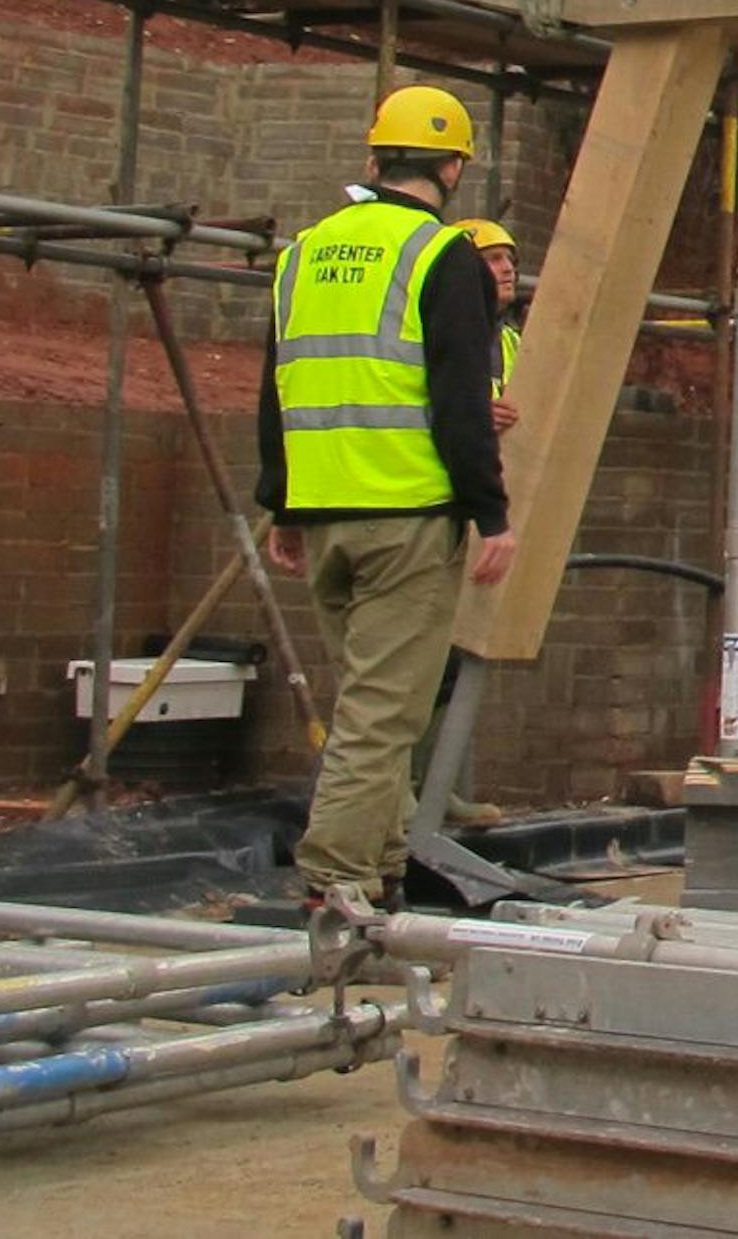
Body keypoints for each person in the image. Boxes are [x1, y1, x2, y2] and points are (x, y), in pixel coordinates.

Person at [254, 84, 517, 926]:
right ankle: (335, 877)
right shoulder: (442, 258)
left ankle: (385, 868)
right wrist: (492, 513)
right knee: (382, 713)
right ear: (451, 168)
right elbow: (460, 401)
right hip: (405, 510)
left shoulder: (302, 252)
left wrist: (282, 502)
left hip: (323, 504)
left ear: (373, 159)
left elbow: (279, 385)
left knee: (373, 702)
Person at [451, 216, 524, 437]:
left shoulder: (513, 341)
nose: (508, 269)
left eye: (510, 260)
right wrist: (471, 416)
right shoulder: (437, 334)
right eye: (494, 259)